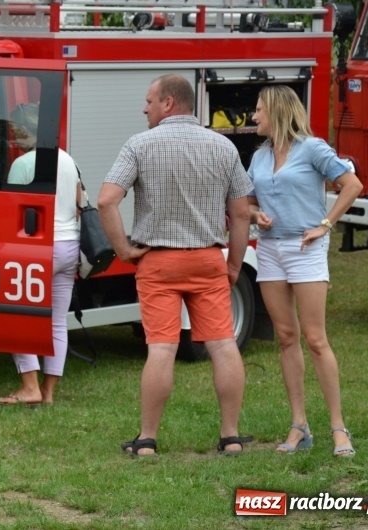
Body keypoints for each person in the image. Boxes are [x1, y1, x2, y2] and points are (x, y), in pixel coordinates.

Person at [97, 74, 253, 456]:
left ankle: (147, 440)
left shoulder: (139, 145)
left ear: (168, 103)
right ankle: (230, 437)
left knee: (162, 349)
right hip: (207, 259)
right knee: (222, 346)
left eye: (149, 100)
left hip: (158, 261)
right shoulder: (223, 146)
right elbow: (242, 213)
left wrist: (123, 250)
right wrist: (233, 266)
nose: (144, 107)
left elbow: (105, 201)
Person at [247, 85, 362, 457]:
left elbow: (352, 185)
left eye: (259, 110)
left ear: (278, 111)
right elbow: (248, 200)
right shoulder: (260, 156)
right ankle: (299, 425)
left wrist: (325, 225)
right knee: (284, 336)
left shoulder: (312, 148)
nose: (254, 116)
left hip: (306, 248)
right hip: (269, 250)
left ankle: (338, 427)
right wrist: (254, 214)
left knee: (315, 339)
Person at [0, 103, 81, 406]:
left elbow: (11, 211)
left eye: (16, 130)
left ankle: (29, 387)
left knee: (18, 315)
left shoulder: (23, 164)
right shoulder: (68, 160)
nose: (13, 137)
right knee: (57, 321)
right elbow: (79, 200)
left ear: (26, 130)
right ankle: (48, 393)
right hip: (69, 246)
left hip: (39, 249)